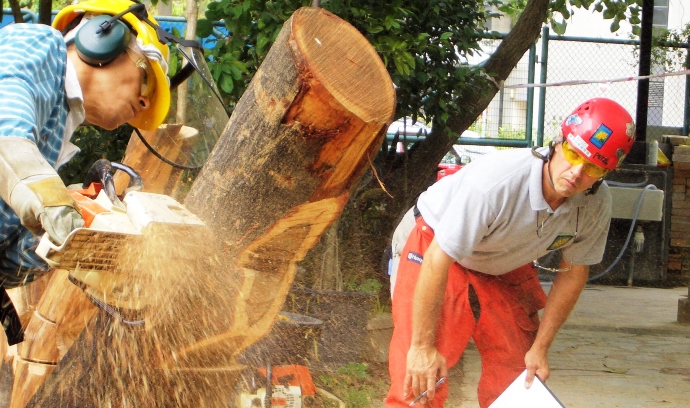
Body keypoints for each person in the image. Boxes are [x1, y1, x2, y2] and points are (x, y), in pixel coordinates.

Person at [386, 98, 636, 407]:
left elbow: (574, 271)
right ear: (557, 143)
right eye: (573, 154)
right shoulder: (497, 182)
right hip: (435, 241)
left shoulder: (596, 204)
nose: (575, 172)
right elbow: (439, 257)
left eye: (593, 168)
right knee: (420, 377)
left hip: (498, 255)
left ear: (605, 173)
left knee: (520, 373)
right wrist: (422, 346)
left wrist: (541, 348)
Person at [0, 0, 171, 342]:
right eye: (146, 81)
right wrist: (49, 198)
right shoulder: (38, 43)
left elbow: (8, 263)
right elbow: (5, 125)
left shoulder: (55, 131)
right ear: (101, 39)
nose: (145, 103)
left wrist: (85, 244)